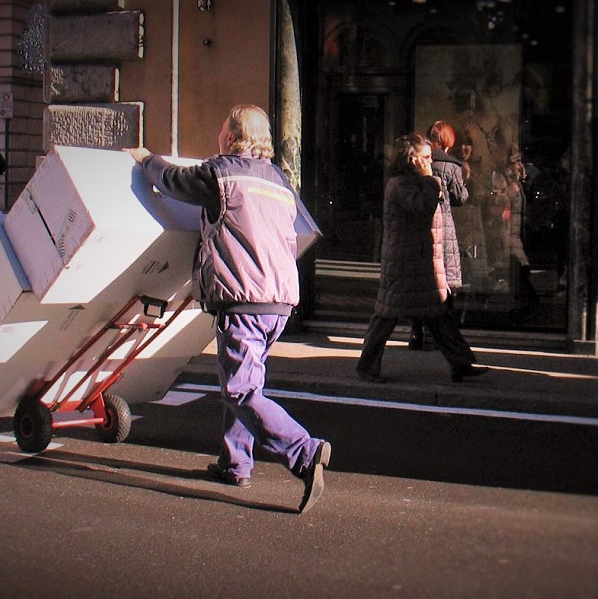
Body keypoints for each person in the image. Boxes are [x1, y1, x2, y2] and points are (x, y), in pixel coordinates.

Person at [128, 104, 332, 515]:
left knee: (240, 389)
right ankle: (236, 462)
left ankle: (305, 452)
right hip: (279, 301)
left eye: (222, 130)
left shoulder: (220, 173)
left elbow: (172, 182)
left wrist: (146, 159)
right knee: (244, 381)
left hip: (244, 299)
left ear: (232, 137)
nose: (218, 136)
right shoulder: (278, 179)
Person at [356, 133, 489, 384]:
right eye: (425, 157)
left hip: (422, 262)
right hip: (405, 263)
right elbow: (422, 208)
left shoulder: (416, 182)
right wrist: (430, 179)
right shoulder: (401, 184)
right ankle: (366, 366)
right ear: (411, 158)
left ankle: (460, 364)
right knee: (387, 316)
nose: (430, 162)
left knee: (438, 315)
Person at [410, 121, 468, 351]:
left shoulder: (419, 162)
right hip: (444, 228)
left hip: (422, 225)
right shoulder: (452, 166)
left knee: (420, 282)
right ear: (447, 142)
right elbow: (460, 198)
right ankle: (440, 338)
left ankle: (417, 334)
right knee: (443, 284)